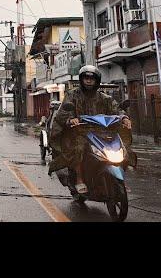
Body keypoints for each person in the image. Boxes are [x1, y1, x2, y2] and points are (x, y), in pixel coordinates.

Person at [48, 65, 135, 194]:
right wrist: (71, 119)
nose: (89, 81)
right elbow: (63, 114)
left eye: (92, 78)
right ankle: (79, 179)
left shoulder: (105, 98)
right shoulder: (72, 95)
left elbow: (116, 110)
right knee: (78, 148)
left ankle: (120, 180)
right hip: (80, 133)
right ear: (82, 80)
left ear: (97, 80)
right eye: (86, 78)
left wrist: (124, 118)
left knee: (123, 149)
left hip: (103, 132)